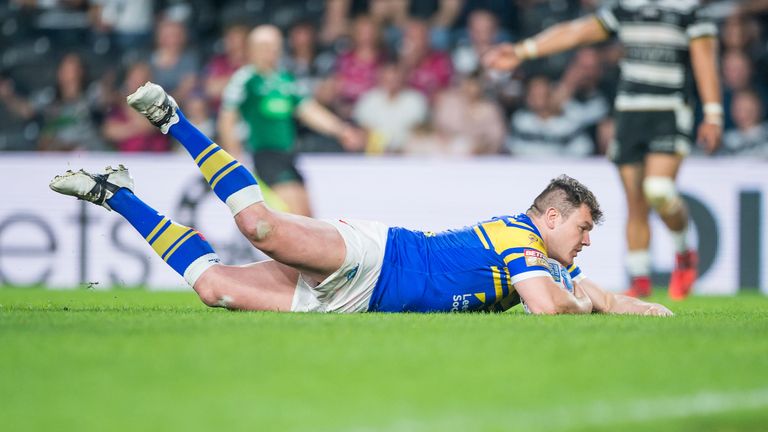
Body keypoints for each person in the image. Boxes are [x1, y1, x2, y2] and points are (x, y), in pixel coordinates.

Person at [49, 81, 672, 317]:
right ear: (553, 216)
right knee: (262, 228)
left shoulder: (550, 257)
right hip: (375, 259)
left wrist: (643, 312)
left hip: (353, 305)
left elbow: (602, 296)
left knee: (215, 290)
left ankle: (116, 194)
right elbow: (548, 308)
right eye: (585, 227)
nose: (587, 241)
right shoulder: (522, 239)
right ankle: (174, 119)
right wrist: (585, 304)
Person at [484, 0, 723, 300]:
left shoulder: (687, 8)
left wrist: (713, 113)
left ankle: (684, 250)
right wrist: (523, 51)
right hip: (630, 110)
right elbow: (578, 32)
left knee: (659, 189)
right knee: (635, 200)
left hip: (670, 110)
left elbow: (704, 57)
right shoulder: (628, 7)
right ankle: (639, 280)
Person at [218, 25, 364, 217]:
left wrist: (342, 130)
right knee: (293, 219)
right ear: (251, 49)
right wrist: (233, 155)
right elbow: (227, 116)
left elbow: (309, 110)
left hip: (288, 155)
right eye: (264, 46)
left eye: (274, 45)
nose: (271, 50)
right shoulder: (246, 79)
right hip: (265, 155)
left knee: (308, 217)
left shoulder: (285, 79)